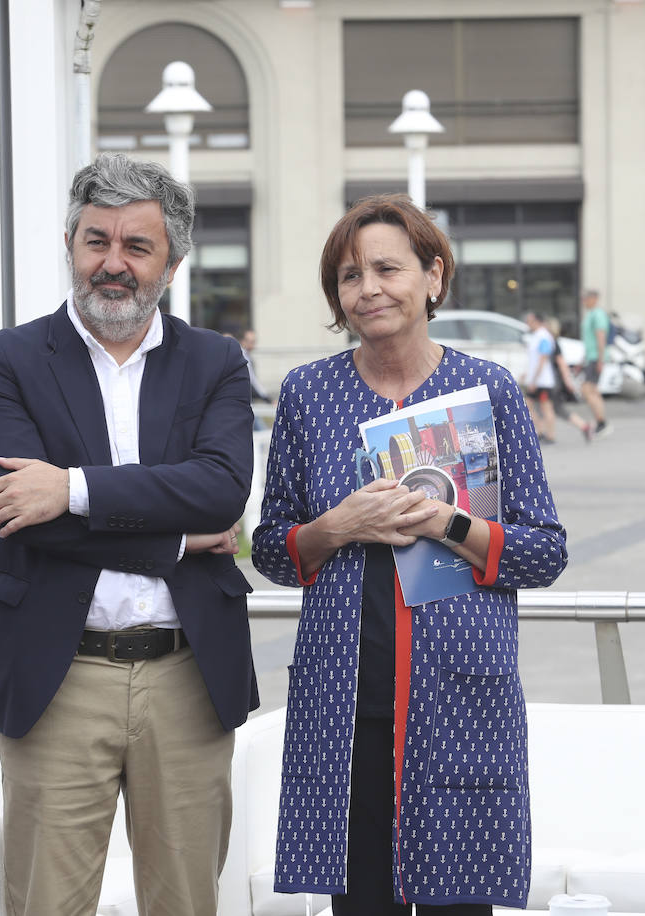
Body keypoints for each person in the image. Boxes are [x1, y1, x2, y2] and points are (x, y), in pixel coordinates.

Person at [0, 152, 258, 916]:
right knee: (46, 904)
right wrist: (174, 540)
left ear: (173, 262)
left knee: (186, 904)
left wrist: (73, 488)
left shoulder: (216, 362)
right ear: (69, 243)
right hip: (57, 676)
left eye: (136, 246)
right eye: (97, 241)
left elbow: (220, 490)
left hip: (187, 675)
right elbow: (22, 516)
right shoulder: (8, 359)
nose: (112, 264)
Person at [251, 193, 567, 914]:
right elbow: (271, 549)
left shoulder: (487, 389)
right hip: (346, 694)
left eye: (387, 269)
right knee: (360, 900)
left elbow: (544, 552)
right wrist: (338, 525)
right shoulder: (308, 393)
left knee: (461, 896)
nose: (368, 290)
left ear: (433, 275)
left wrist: (447, 524)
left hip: (457, 693)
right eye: (349, 276)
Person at [547, 316, 594, 444]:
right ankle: (584, 426)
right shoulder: (551, 341)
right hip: (553, 381)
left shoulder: (553, 343)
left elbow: (562, 363)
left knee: (551, 408)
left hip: (553, 382)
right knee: (557, 409)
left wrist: (568, 382)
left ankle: (548, 435)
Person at [579, 289, 612, 436]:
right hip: (590, 357)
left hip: (595, 358)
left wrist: (600, 359)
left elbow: (600, 337)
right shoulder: (591, 315)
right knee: (593, 391)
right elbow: (589, 340)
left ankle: (601, 422)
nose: (583, 302)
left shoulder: (598, 315)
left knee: (587, 390)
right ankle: (601, 420)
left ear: (593, 299)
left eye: (585, 299)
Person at [522, 311, 558, 443]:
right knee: (528, 405)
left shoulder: (543, 336)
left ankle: (550, 434)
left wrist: (534, 379)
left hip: (542, 381)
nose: (528, 324)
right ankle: (541, 430)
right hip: (537, 379)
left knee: (546, 407)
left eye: (530, 321)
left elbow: (543, 359)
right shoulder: (537, 336)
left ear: (537, 321)